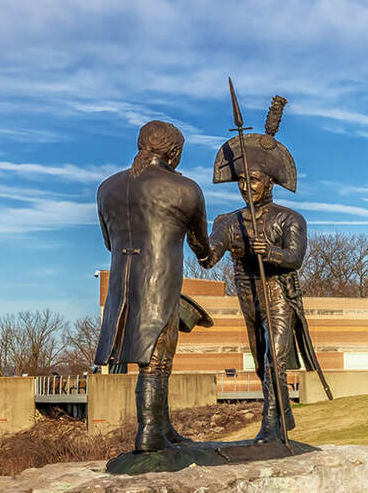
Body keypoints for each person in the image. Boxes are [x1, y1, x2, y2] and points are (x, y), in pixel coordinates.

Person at [205, 96, 330, 443]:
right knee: (262, 365)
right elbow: (211, 253)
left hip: (278, 297)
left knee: (275, 360)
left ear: (269, 183)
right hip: (248, 297)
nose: (247, 186)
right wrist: (194, 234)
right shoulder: (228, 220)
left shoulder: (289, 218)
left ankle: (271, 427)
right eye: (242, 180)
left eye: (254, 181)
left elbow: (294, 258)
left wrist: (269, 252)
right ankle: (283, 414)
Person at [94, 120, 211, 453]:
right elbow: (201, 247)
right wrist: (210, 251)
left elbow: (108, 241)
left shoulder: (106, 188)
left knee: (156, 359)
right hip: (159, 281)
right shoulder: (185, 189)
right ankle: (149, 435)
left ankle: (164, 426)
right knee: (157, 360)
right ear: (174, 154)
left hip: (121, 284)